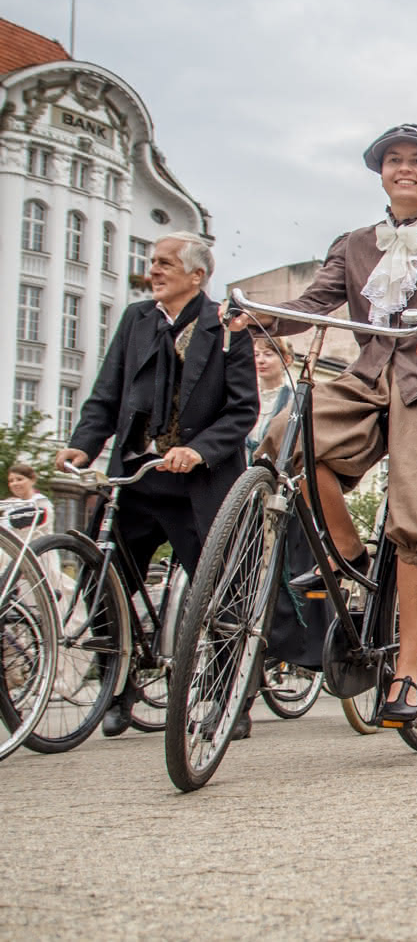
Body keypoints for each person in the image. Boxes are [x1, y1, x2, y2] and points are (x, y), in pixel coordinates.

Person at [235, 124, 417, 725]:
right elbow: (312, 305)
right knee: (287, 439)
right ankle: (350, 559)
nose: (404, 168)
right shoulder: (354, 243)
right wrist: (255, 319)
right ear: (380, 172)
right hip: (369, 378)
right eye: (393, 161)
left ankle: (405, 674)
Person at [58, 231, 258, 736]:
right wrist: (84, 442)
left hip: (200, 482)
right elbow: (108, 391)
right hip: (138, 475)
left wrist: (200, 450)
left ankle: (226, 698)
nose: (155, 270)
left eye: (166, 263)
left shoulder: (227, 326)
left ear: (197, 275)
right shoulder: (136, 320)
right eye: (153, 262)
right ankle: (115, 686)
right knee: (102, 578)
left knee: (219, 593)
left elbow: (242, 411)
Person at [247, 336, 294, 458]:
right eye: (256, 355)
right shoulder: (245, 394)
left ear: (286, 360)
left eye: (268, 354)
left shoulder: (293, 399)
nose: (260, 360)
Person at [4, 463, 54, 534]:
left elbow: (26, 531)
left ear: (32, 480)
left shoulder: (40, 501)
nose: (14, 483)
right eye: (11, 481)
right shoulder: (11, 504)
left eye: (19, 479)